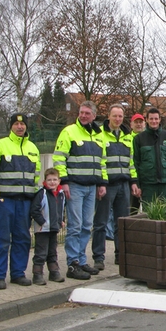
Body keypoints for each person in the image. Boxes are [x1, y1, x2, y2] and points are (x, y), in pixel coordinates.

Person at [0, 113, 41, 290]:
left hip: (25, 202)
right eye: (16, 124)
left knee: (22, 239)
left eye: (22, 124)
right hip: (4, 200)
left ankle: (18, 274)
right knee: (2, 238)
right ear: (11, 126)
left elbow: (35, 178)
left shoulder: (33, 148)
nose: (20, 127)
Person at [53, 100, 107, 280]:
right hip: (75, 186)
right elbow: (59, 159)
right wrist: (64, 182)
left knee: (86, 226)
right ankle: (73, 263)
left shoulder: (99, 136)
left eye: (87, 113)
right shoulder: (68, 132)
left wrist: (102, 183)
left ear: (94, 115)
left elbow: (102, 163)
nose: (83, 115)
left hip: (92, 187)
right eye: (81, 112)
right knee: (74, 226)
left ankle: (82, 260)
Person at [92, 104, 141, 269]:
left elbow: (132, 163)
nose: (118, 119)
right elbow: (99, 162)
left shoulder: (128, 137)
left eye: (120, 116)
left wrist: (133, 182)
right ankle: (98, 257)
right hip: (107, 185)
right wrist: (101, 183)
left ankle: (121, 255)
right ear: (108, 116)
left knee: (122, 222)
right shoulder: (100, 135)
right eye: (115, 116)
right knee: (101, 222)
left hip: (124, 185)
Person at [29, 168, 65, 285]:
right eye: (49, 180)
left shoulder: (60, 194)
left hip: (54, 228)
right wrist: (42, 222)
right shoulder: (42, 193)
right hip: (42, 229)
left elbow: (61, 209)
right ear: (45, 181)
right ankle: (37, 274)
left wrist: (61, 220)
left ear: (59, 181)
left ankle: (54, 272)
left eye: (55, 179)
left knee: (52, 251)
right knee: (41, 252)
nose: (52, 182)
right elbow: (35, 210)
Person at [133, 107, 166, 203]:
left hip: (165, 184)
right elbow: (135, 162)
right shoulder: (139, 139)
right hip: (148, 185)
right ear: (146, 120)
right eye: (151, 119)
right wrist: (137, 185)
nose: (153, 121)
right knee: (149, 215)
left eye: (156, 119)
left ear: (160, 120)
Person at [127, 113, 146, 214]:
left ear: (144, 124)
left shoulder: (147, 138)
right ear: (131, 125)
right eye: (136, 122)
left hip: (146, 179)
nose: (138, 124)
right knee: (132, 209)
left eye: (140, 122)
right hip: (132, 179)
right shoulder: (127, 139)